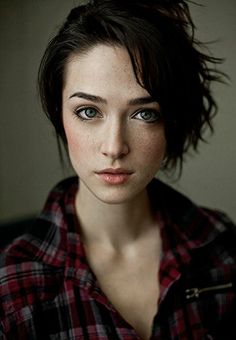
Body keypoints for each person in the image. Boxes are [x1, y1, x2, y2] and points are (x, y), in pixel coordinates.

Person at [0, 0, 235, 339]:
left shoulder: (218, 249)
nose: (114, 146)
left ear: (173, 121)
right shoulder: (13, 287)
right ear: (58, 114)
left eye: (144, 113)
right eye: (88, 112)